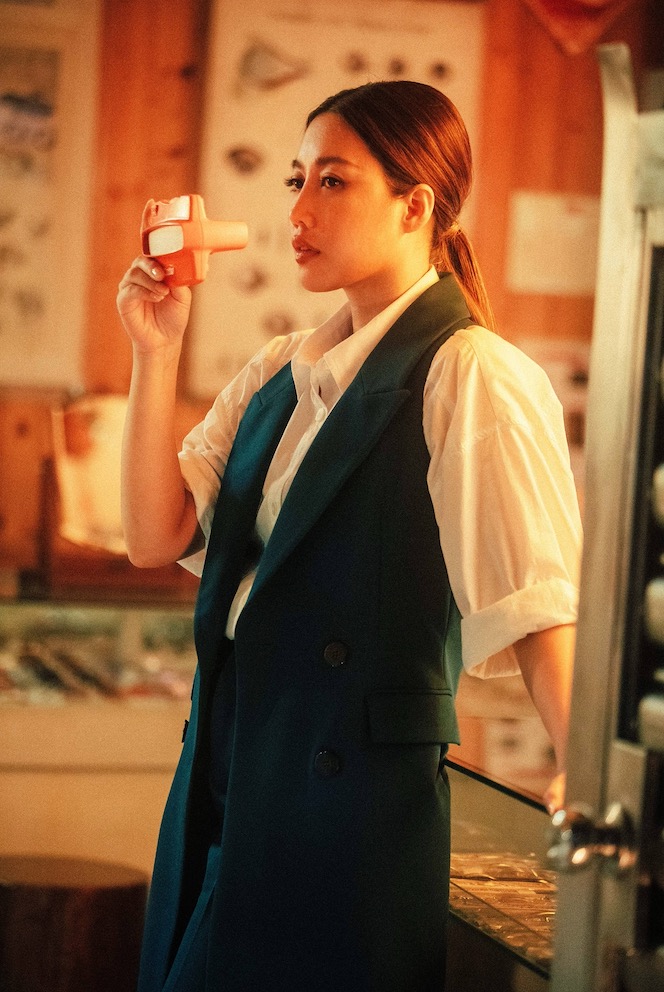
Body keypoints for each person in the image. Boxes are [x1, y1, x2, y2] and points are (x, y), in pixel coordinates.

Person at [117, 80, 581, 992]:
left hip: (348, 813)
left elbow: (535, 601)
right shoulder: (278, 370)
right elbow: (152, 535)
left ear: (416, 205)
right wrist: (154, 350)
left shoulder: (472, 372)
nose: (299, 210)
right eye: (297, 180)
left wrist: (586, 773)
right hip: (226, 777)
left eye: (333, 181)